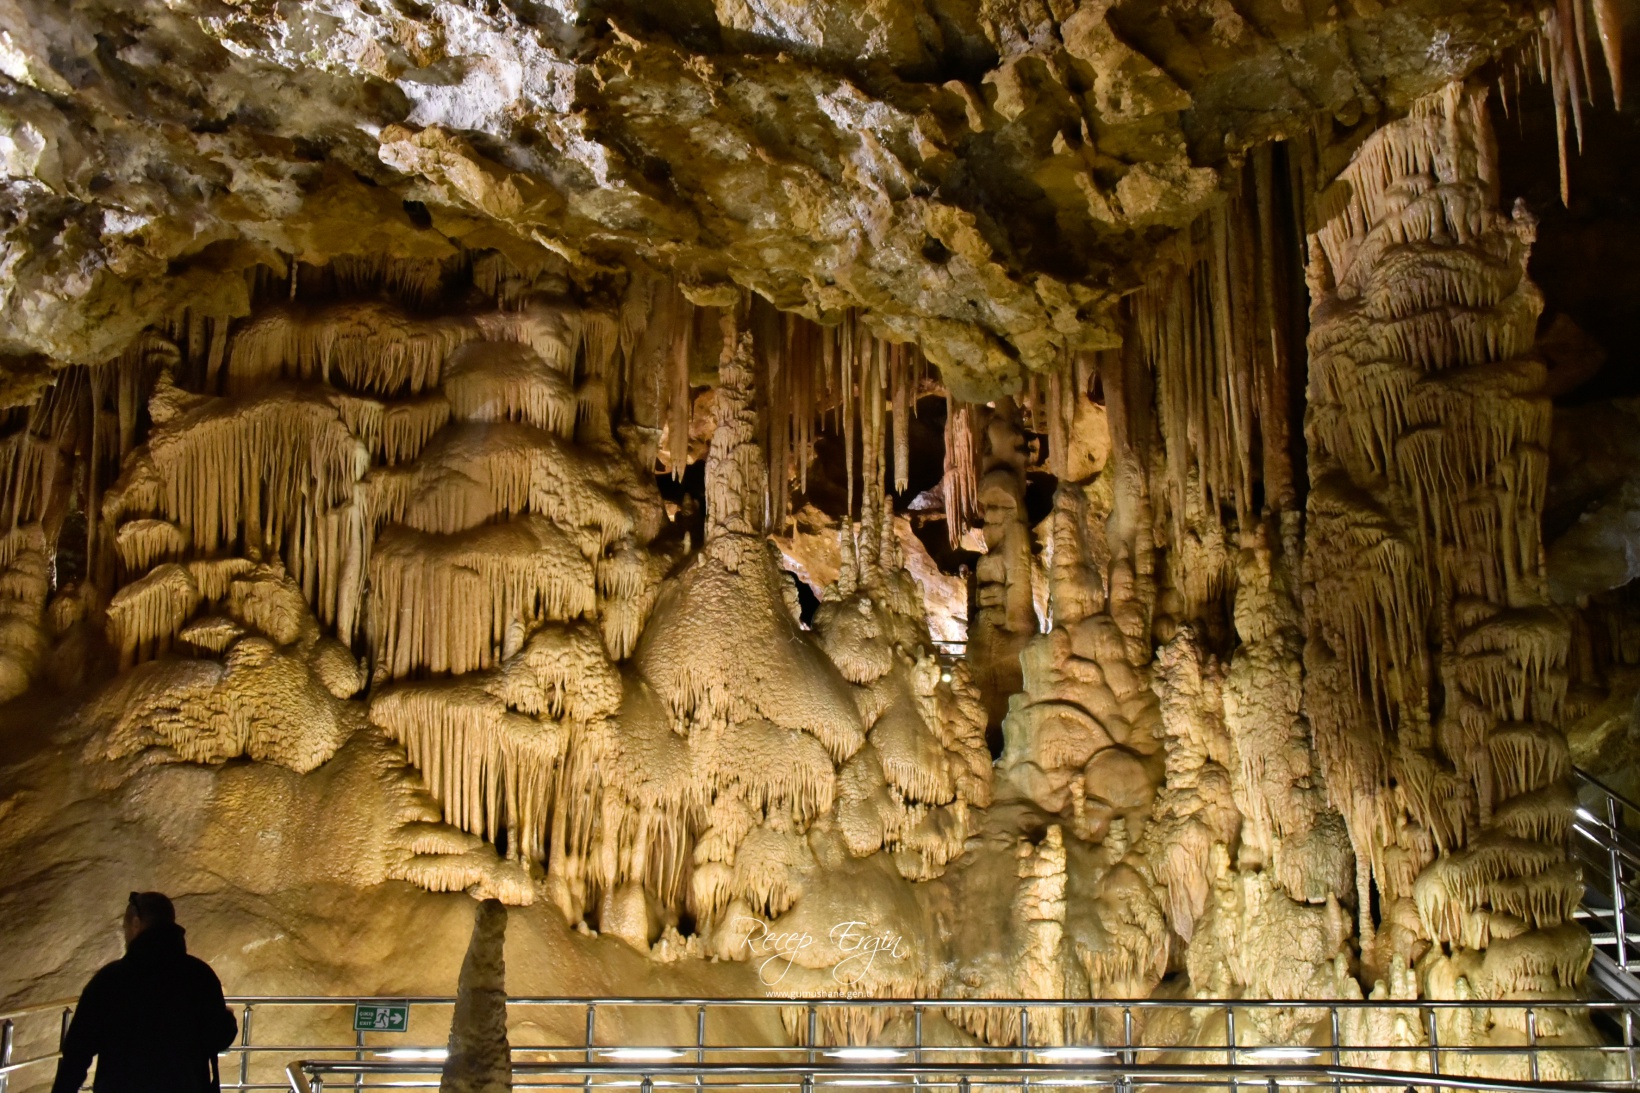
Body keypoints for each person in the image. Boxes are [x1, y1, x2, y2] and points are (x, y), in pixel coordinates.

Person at [51, 893, 239, 1093]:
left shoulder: (110, 981)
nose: (125, 935)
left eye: (125, 928)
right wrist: (227, 1020)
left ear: (136, 923)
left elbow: (77, 1055)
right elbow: (218, 1038)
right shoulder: (200, 976)